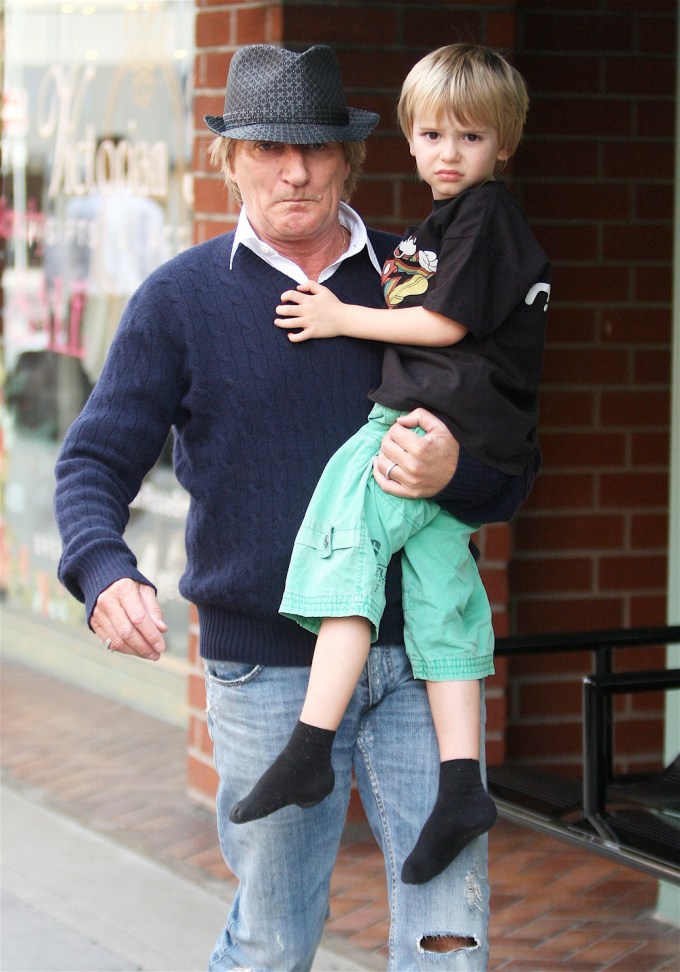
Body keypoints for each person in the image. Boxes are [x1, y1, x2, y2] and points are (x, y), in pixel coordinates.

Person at [54, 43, 535, 971]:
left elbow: (514, 459)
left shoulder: (423, 277)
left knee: (450, 934)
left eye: (317, 148)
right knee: (275, 938)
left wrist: (456, 474)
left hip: (420, 663)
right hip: (266, 671)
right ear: (229, 159)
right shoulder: (181, 299)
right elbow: (92, 462)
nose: (296, 169)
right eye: (269, 147)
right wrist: (102, 570)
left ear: (350, 159)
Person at [229, 44, 551, 887]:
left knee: (346, 529)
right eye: (435, 133)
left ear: (503, 145)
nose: (450, 152)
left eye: (471, 137)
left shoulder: (484, 220)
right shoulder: (438, 229)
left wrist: (341, 317)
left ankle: (309, 743)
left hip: (435, 424)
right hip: (467, 424)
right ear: (408, 139)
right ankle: (461, 784)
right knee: (443, 591)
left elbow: (442, 327)